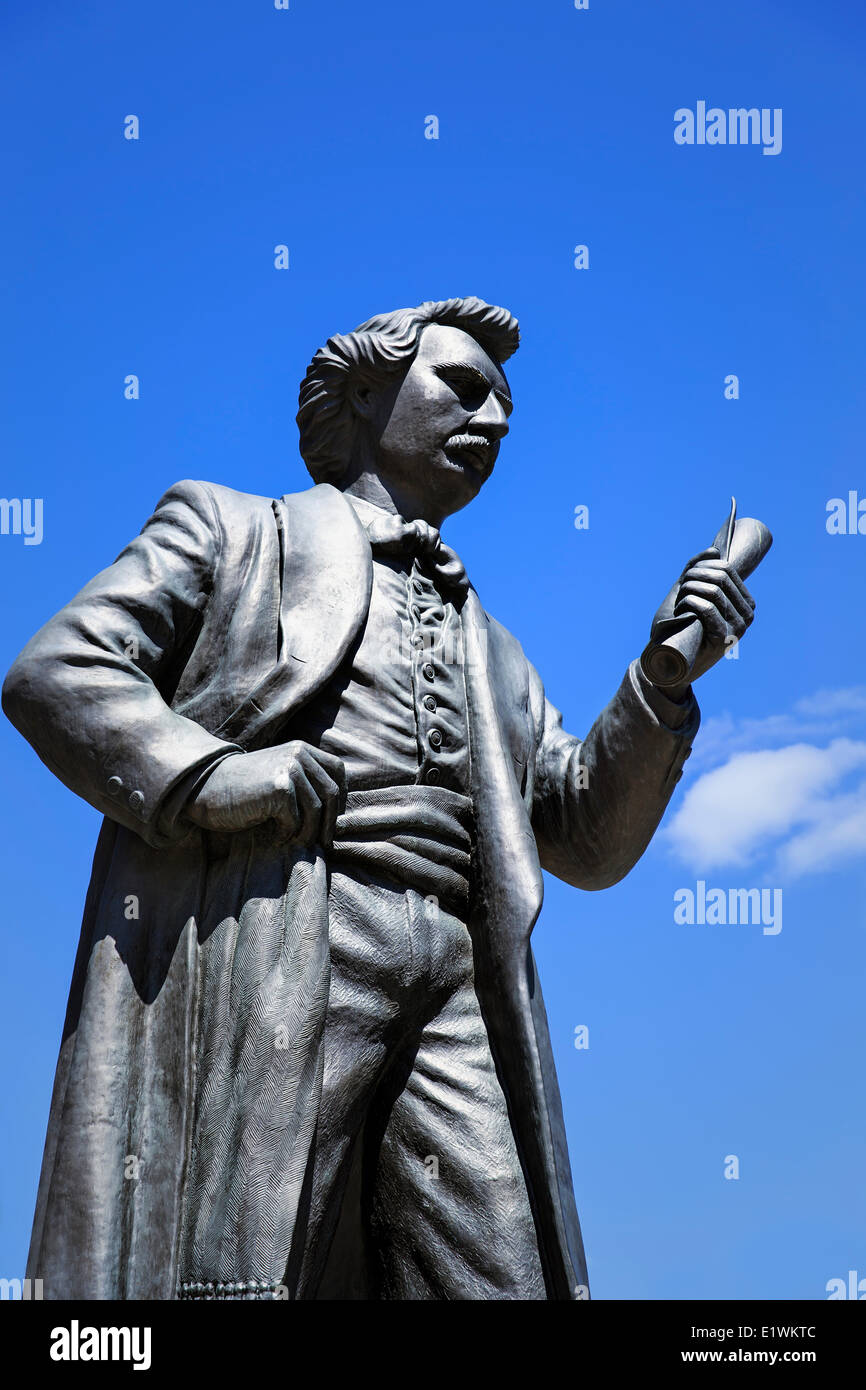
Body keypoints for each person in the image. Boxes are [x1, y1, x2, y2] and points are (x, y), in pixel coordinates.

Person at [3, 297, 756, 1299]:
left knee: (500, 1275)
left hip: (458, 977)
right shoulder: (234, 532)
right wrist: (218, 776)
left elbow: (579, 836)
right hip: (293, 934)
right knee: (241, 1265)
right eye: (463, 388)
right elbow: (58, 670)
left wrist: (660, 684)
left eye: (505, 412)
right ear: (363, 390)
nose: (489, 421)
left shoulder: (490, 645)